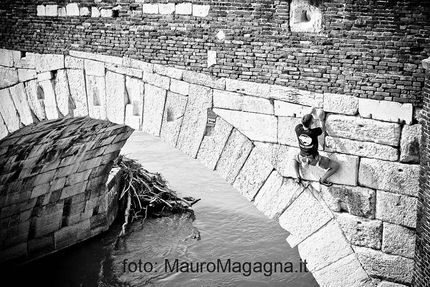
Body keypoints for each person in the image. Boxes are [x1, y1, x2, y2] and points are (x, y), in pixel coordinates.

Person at [293, 108, 339, 187]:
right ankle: (322, 180)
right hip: (314, 159)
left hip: (302, 156)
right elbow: (323, 129)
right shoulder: (313, 132)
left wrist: (309, 113)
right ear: (312, 123)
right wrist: (321, 119)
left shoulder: (298, 129)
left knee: (295, 158)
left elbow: (302, 122)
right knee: (335, 166)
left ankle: (297, 177)